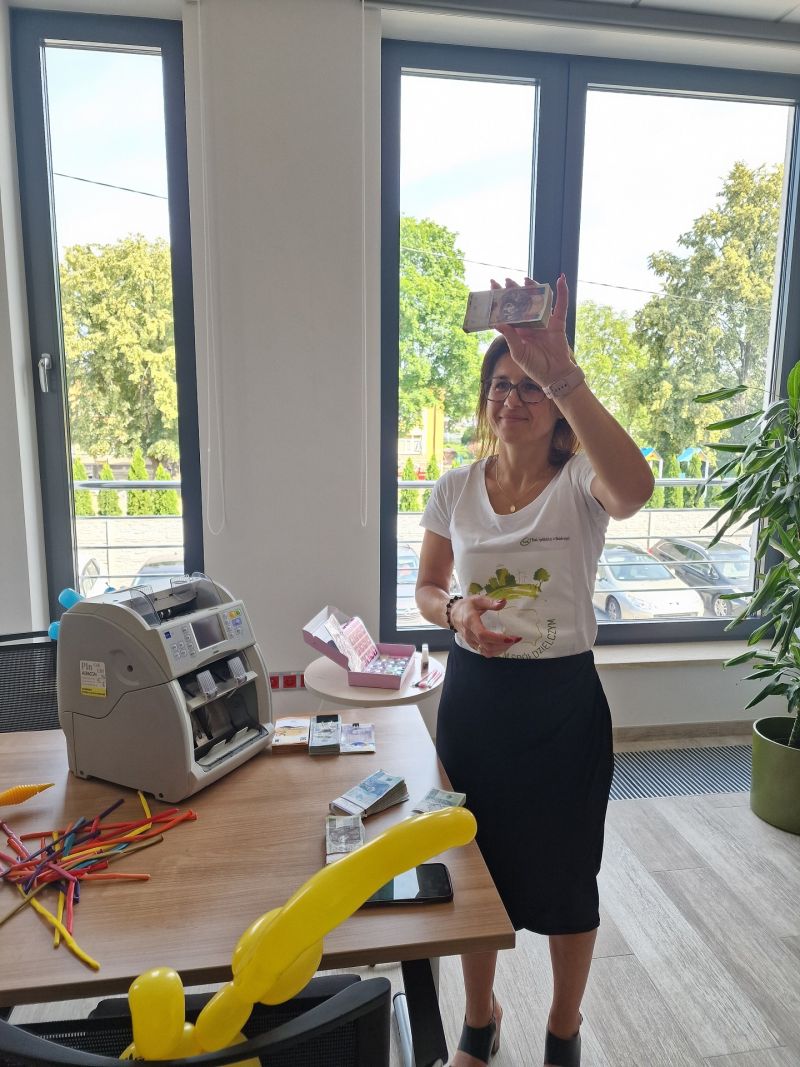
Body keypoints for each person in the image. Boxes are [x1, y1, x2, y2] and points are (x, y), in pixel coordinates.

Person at [415, 274, 654, 1067]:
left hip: (562, 705)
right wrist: (456, 612)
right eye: (499, 385)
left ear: (553, 405)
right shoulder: (455, 488)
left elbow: (635, 488)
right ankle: (479, 1019)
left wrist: (563, 372)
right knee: (473, 868)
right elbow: (427, 587)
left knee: (568, 875)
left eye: (528, 387)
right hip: (476, 703)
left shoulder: (580, 482)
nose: (510, 399)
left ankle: (562, 1025)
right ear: (484, 400)